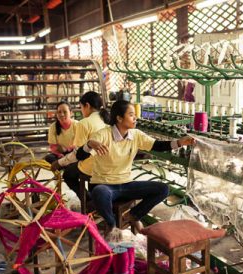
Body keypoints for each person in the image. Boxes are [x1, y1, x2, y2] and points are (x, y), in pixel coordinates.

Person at [75, 100, 195, 240]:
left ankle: (133, 215)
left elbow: (157, 145)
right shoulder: (102, 135)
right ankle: (112, 225)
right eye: (131, 115)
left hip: (126, 184)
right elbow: (79, 156)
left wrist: (180, 142)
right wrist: (89, 144)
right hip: (104, 184)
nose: (135, 118)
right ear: (119, 118)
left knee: (163, 189)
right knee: (99, 192)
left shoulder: (135, 134)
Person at [51, 91, 110, 207]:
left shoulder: (84, 123)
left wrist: (59, 163)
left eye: (81, 107)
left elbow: (79, 154)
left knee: (68, 174)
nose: (82, 111)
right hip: (108, 161)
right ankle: (92, 200)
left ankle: (88, 201)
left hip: (93, 165)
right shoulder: (106, 119)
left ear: (87, 106)